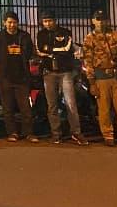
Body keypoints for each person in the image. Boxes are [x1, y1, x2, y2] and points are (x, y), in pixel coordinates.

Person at [36, 10, 88, 145]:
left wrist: (50, 50)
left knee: (71, 103)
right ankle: (56, 133)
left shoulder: (65, 32)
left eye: (50, 21)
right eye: (45, 21)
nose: (48, 24)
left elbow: (67, 49)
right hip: (49, 72)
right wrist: (56, 50)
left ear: (55, 20)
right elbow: (40, 50)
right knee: (51, 105)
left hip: (65, 72)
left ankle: (76, 132)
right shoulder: (41, 34)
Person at [82, 9, 117, 146]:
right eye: (98, 19)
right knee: (104, 109)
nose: (101, 22)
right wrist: (92, 83)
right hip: (101, 77)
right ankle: (108, 135)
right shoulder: (89, 38)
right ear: (93, 21)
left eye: (103, 19)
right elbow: (88, 62)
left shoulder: (116, 35)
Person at [0, 11, 38, 142]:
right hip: (4, 77)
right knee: (8, 107)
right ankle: (12, 133)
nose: (12, 25)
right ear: (4, 23)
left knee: (25, 108)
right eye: (9, 22)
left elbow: (30, 53)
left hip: (22, 77)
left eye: (14, 22)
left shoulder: (24, 36)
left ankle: (28, 133)